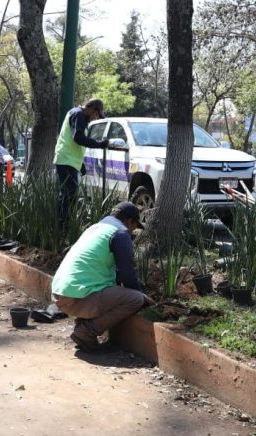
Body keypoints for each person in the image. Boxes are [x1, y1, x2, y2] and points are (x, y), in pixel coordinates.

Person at [51, 202, 152, 351]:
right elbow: (127, 274)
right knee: (134, 299)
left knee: (109, 288)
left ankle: (82, 324)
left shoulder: (95, 228)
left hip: (60, 293)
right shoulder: (120, 233)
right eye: (134, 227)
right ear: (130, 221)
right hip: (76, 297)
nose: (132, 232)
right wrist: (141, 296)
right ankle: (86, 332)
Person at [54, 98, 109, 228]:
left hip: (69, 160)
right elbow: (78, 138)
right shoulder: (78, 114)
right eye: (96, 115)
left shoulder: (79, 115)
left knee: (66, 194)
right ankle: (64, 225)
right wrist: (98, 144)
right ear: (92, 109)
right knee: (70, 194)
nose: (95, 118)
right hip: (66, 160)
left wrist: (81, 164)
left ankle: (61, 225)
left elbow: (76, 143)